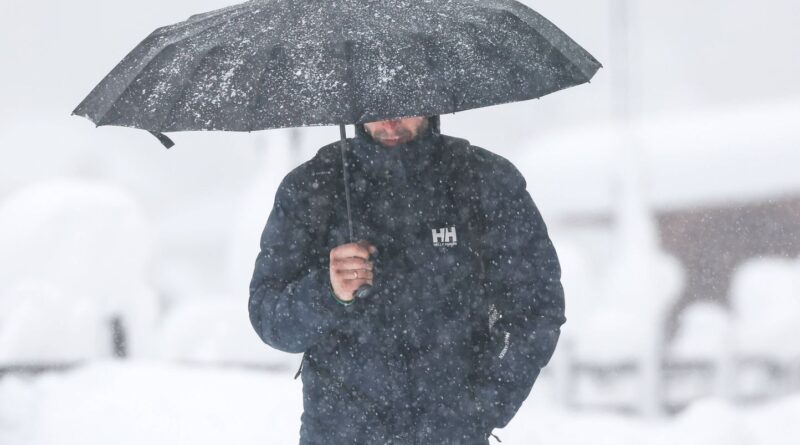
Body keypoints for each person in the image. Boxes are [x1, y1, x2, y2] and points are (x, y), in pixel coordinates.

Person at [248, 115, 566, 444]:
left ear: (430, 102)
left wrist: (482, 405)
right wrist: (328, 291)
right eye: (376, 108)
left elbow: (535, 307)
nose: (390, 122)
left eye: (405, 105)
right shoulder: (311, 189)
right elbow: (269, 317)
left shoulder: (484, 182)